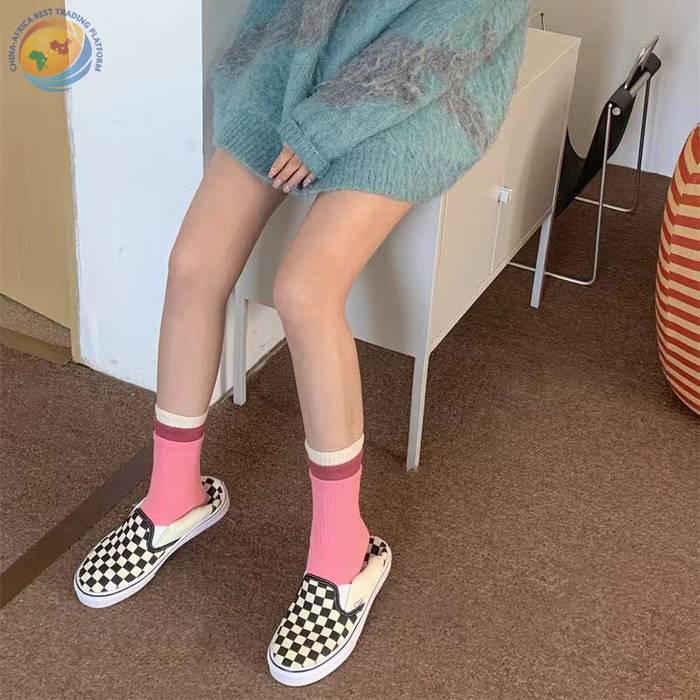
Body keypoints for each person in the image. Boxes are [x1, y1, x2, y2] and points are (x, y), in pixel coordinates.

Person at [73, 0, 529, 687]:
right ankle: (173, 496)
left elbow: (453, 27)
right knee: (193, 264)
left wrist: (323, 128)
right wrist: (284, 84)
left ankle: (345, 555)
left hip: (424, 78)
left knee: (305, 291)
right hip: (301, 48)